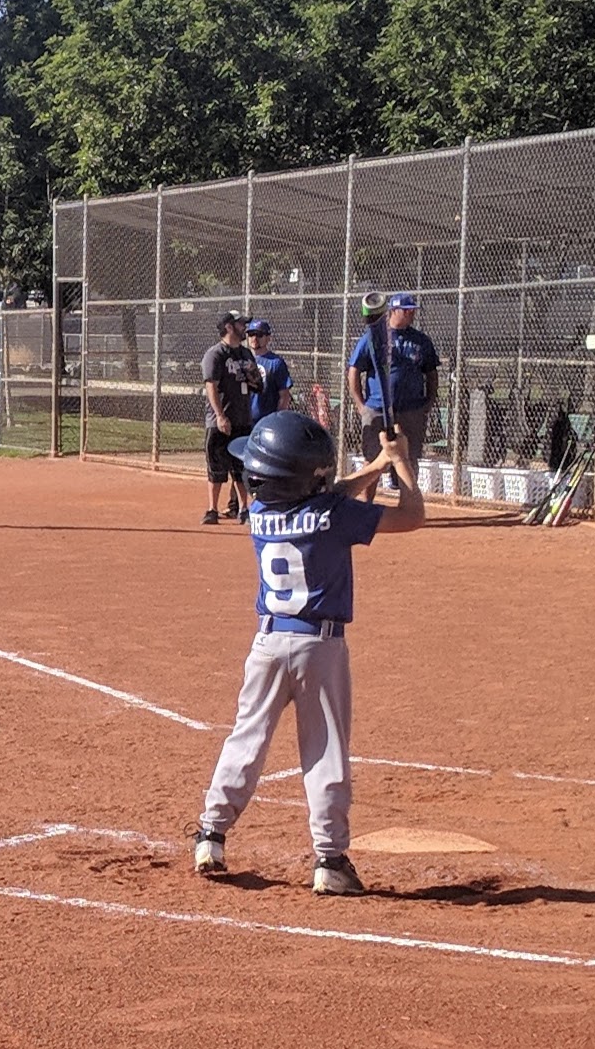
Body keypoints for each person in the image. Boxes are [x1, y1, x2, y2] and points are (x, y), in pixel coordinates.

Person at [191, 411, 425, 896]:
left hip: (268, 643)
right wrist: (402, 466)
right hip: (320, 646)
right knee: (325, 750)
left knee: (245, 738)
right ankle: (330, 859)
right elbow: (412, 516)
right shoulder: (335, 516)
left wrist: (378, 461)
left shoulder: (257, 513)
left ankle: (211, 835)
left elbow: (327, 496)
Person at [345, 292, 439, 503]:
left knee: (409, 459)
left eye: (413, 311)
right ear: (394, 311)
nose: (411, 314)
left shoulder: (421, 341)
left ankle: (407, 507)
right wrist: (361, 405)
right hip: (377, 407)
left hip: (411, 409)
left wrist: (428, 402)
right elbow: (354, 370)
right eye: (407, 311)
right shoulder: (373, 337)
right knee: (372, 459)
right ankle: (366, 505)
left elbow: (431, 373)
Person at [201, 309, 262, 525]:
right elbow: (211, 386)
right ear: (229, 327)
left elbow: (257, 385)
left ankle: (244, 509)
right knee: (216, 466)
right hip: (220, 420)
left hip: (242, 419)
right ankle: (212, 509)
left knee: (241, 467)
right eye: (241, 324)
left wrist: (252, 376)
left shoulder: (245, 354)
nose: (245, 327)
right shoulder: (215, 354)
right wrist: (220, 416)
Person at [245, 320, 294, 426]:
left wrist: (277, 419)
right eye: (251, 334)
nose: (254, 338)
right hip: (244, 420)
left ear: (268, 338)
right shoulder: (242, 359)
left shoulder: (276, 362)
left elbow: (284, 395)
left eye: (259, 335)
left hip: (266, 421)